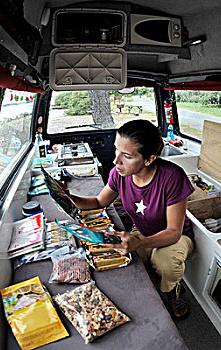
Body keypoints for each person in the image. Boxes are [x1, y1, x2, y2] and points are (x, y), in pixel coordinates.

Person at [67, 119, 195, 319]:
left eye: (126, 156)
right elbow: (99, 201)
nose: (115, 161)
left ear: (149, 159)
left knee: (164, 263)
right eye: (116, 151)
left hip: (177, 236)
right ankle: (157, 285)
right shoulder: (119, 173)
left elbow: (174, 232)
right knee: (131, 266)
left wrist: (141, 242)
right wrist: (67, 198)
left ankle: (173, 290)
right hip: (143, 231)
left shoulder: (173, 177)